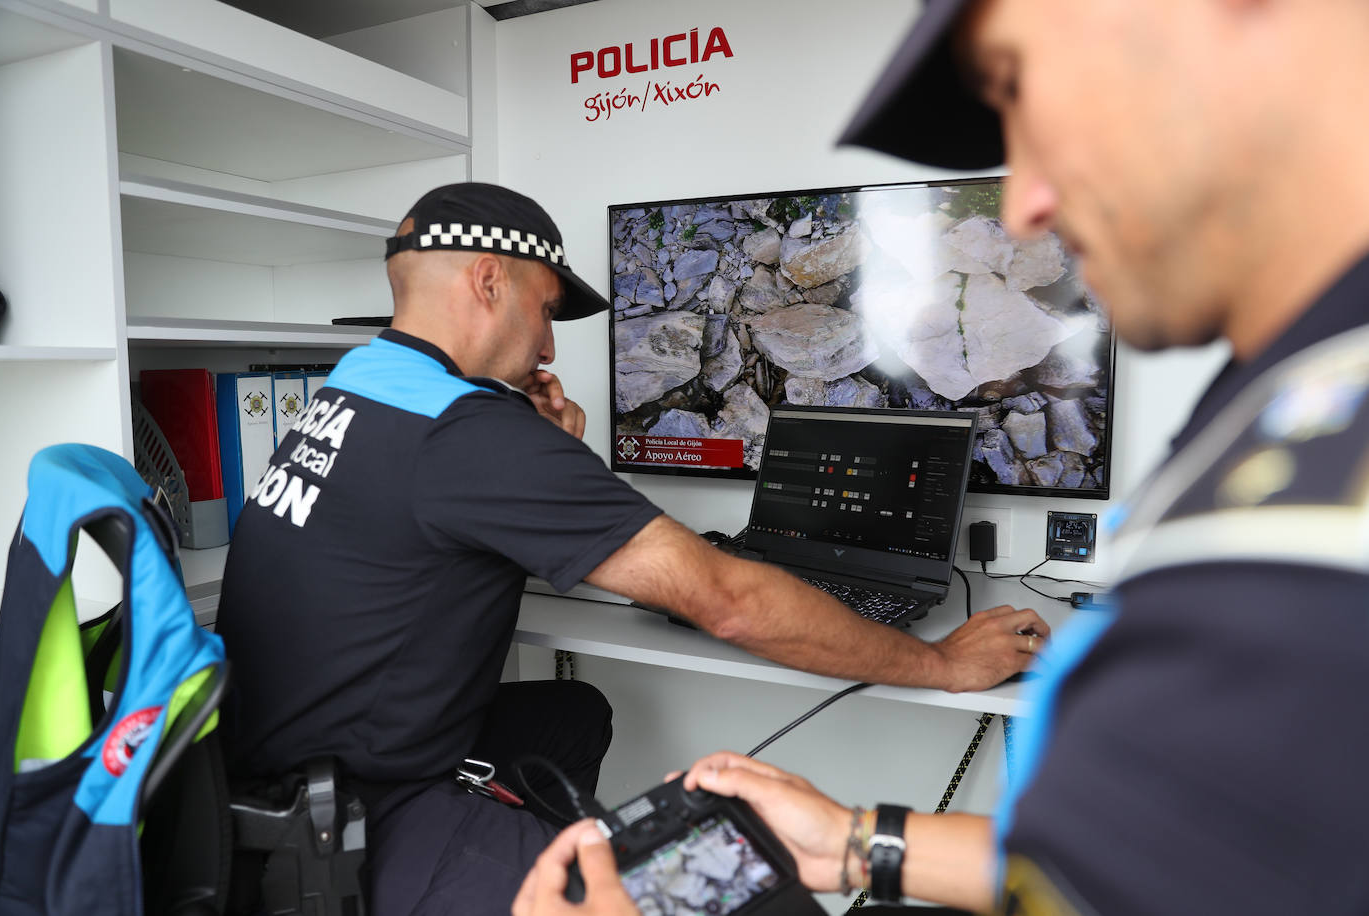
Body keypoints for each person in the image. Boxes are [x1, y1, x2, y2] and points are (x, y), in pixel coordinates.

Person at [512, 0, 1369, 913]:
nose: (1029, 202)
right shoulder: (1279, 403)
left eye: (1039, 95)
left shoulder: (1311, 505)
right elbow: (1160, 859)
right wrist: (857, 843)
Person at [214, 181, 1048, 915]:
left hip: (260, 768)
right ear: (488, 279)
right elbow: (728, 600)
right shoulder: (472, 436)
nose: (546, 349)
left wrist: (547, 459)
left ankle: (529, 855)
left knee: (574, 717)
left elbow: (439, 522)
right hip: (357, 817)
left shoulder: (355, 390)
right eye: (545, 311)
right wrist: (940, 664)